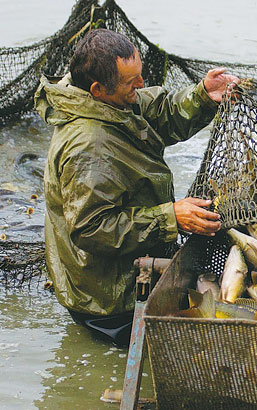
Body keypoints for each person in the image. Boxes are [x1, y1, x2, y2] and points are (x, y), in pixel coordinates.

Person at [34, 29, 240, 346]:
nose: (140, 85)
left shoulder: (108, 101)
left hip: (127, 265)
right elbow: (92, 229)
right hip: (108, 299)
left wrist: (202, 96)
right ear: (98, 89)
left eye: (139, 76)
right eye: (132, 82)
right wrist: (170, 217)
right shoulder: (89, 149)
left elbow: (159, 112)